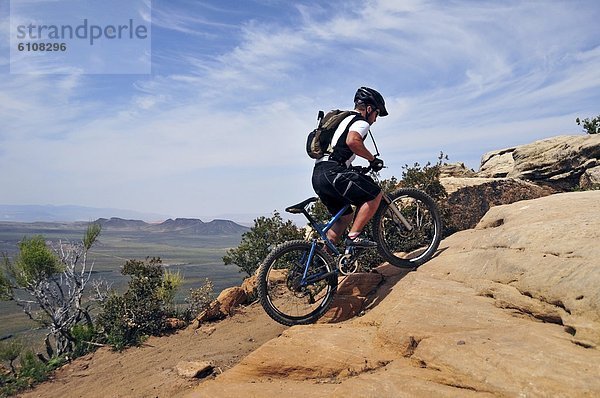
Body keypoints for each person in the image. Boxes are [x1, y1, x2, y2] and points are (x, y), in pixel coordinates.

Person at [311, 86, 388, 248]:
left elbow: (337, 149)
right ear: (368, 109)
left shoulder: (342, 121)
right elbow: (353, 141)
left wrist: (351, 168)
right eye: (377, 113)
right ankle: (353, 238)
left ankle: (322, 261)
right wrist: (372, 160)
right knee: (374, 194)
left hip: (319, 174)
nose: (376, 119)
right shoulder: (360, 121)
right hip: (332, 173)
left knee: (344, 218)